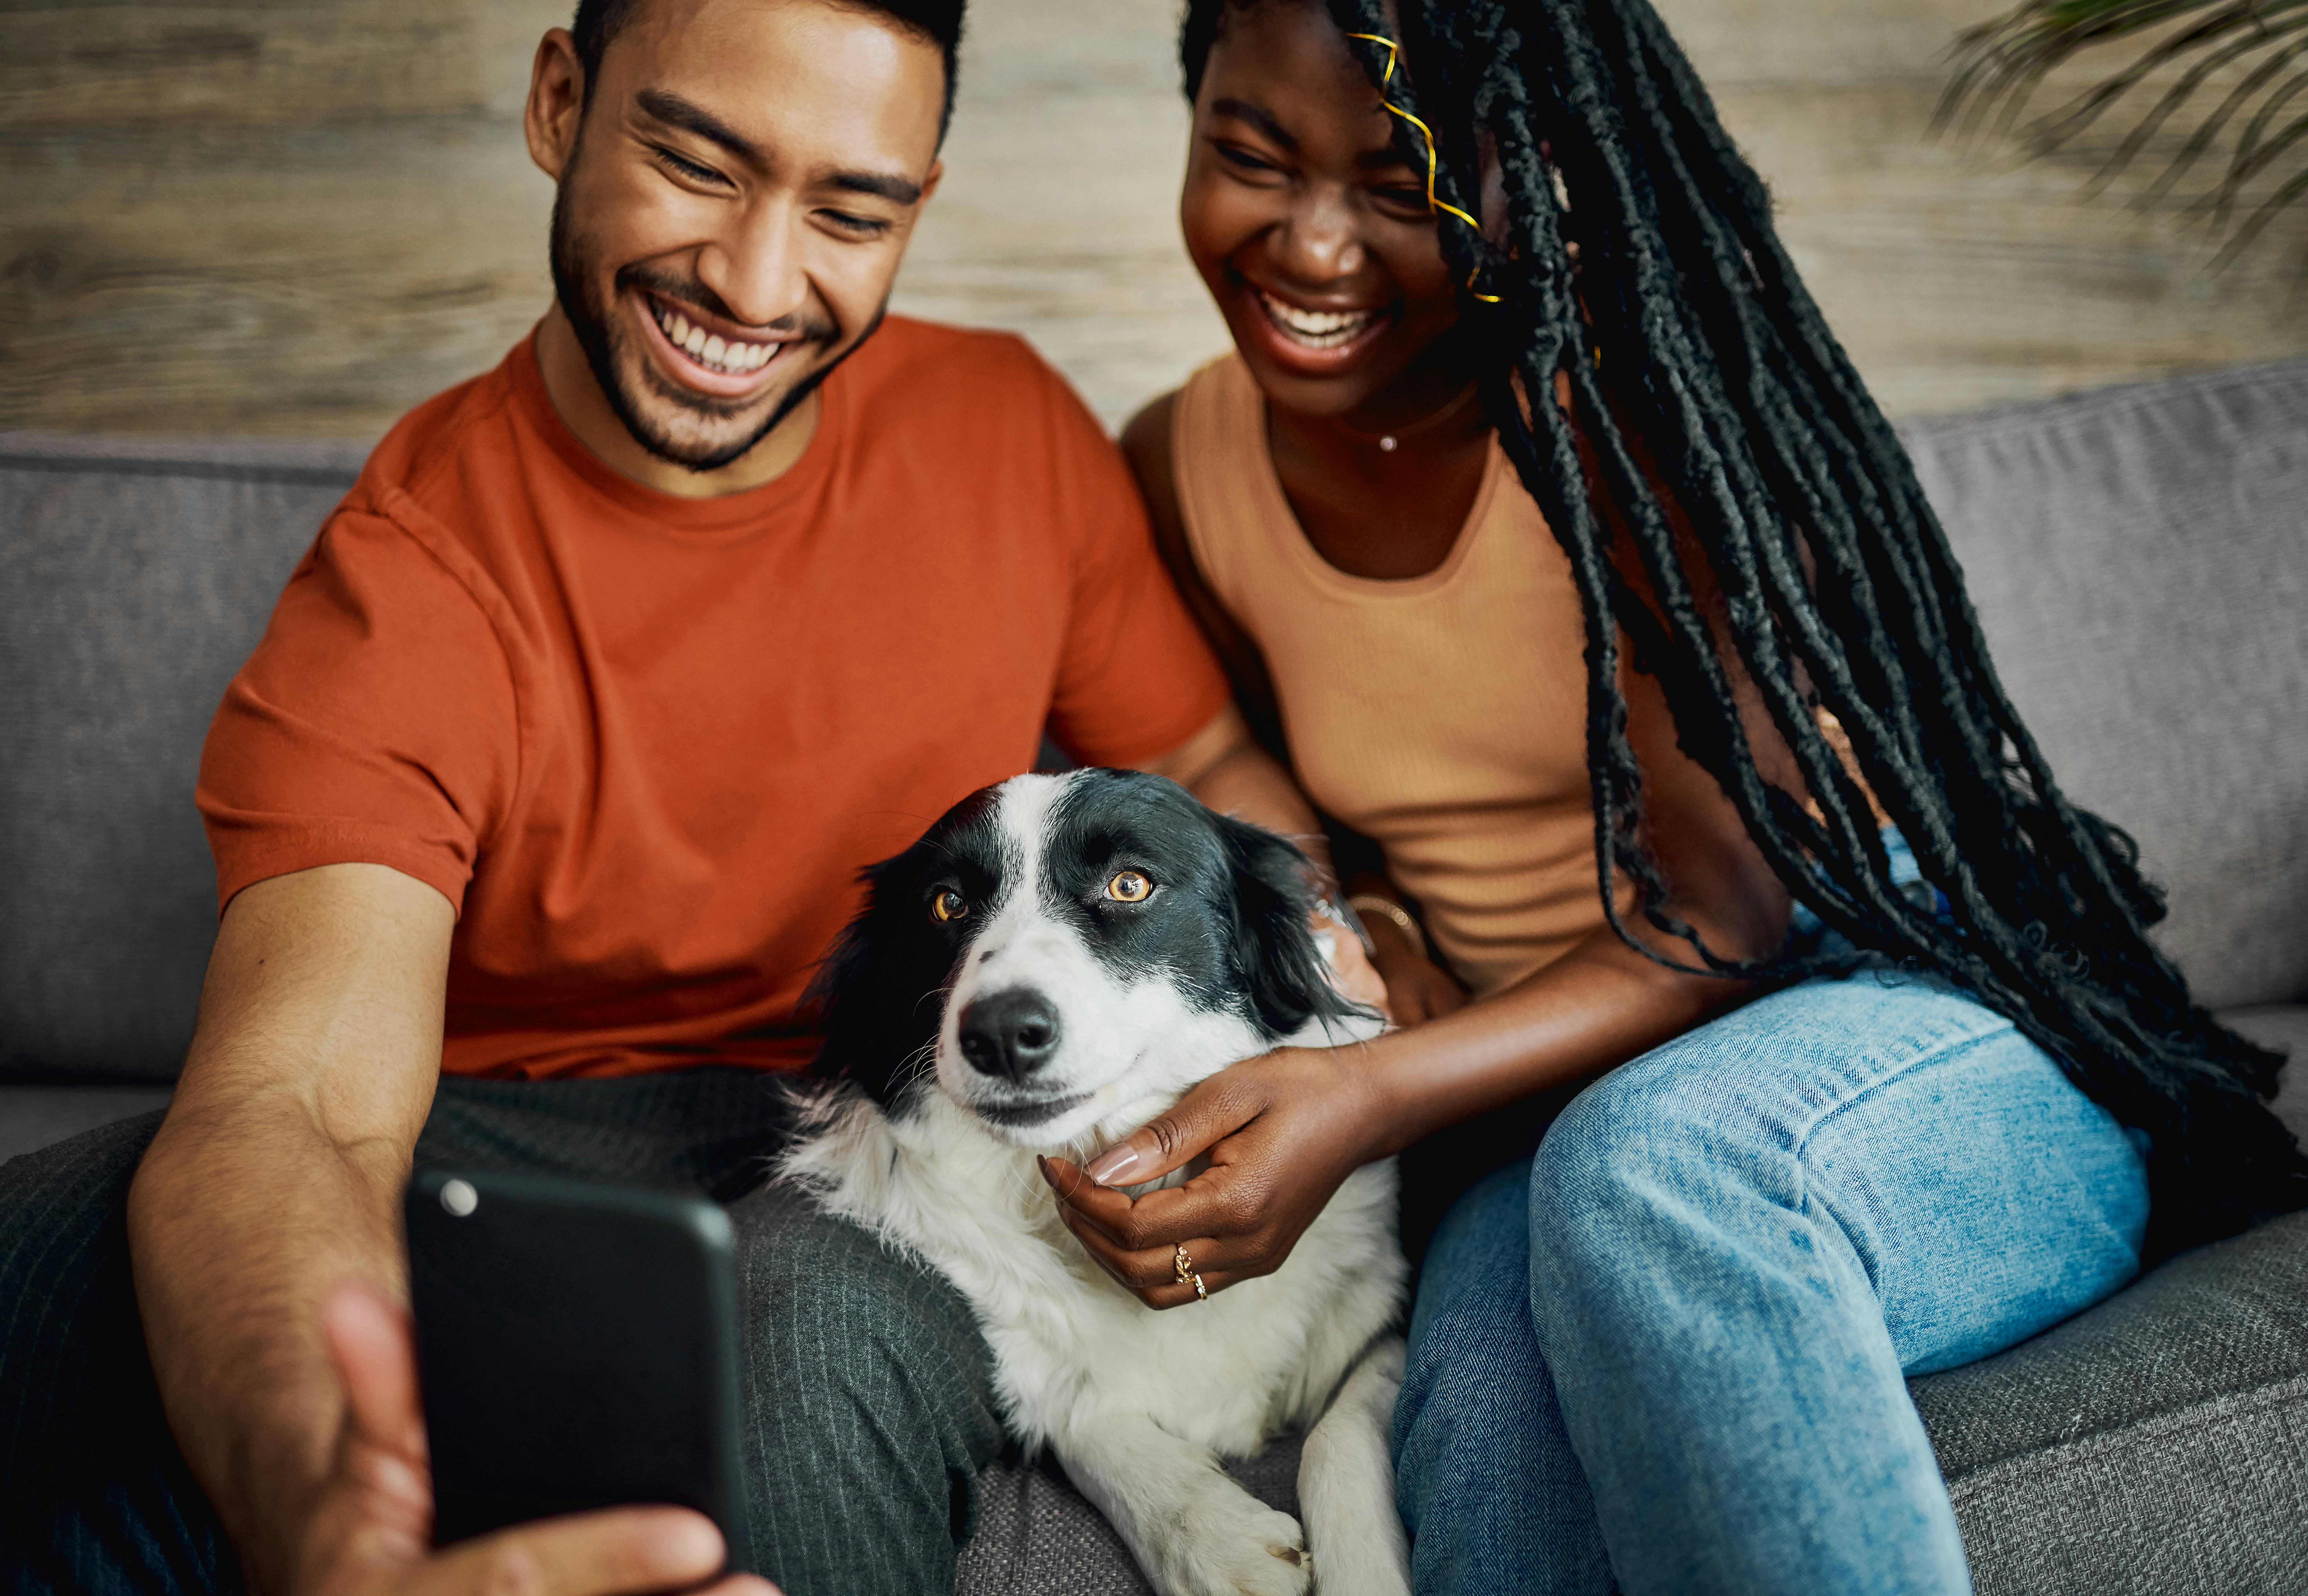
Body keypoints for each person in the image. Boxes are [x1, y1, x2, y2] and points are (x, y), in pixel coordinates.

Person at [0, 2, 1366, 1594]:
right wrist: (330, 1520)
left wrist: (1333, 936)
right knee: (69, 1253)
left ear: (916, 206)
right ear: (560, 102)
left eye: (849, 210)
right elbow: (293, 1103)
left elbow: (1202, 767)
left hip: (888, 1140)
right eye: (695, 163)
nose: (753, 279)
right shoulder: (414, 573)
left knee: (804, 1335)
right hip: (527, 1150)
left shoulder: (1006, 430)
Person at [1037, 2, 2308, 1592]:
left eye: (1400, 181)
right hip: (1542, 1104)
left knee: (1659, 1171)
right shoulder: (1181, 460)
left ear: (1531, 175)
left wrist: (1371, 1090)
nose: (1309, 243)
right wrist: (1363, 920)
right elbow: (1282, 782)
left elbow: (1729, 915)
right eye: (1249, 155)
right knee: (1482, 1453)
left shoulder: (1621, 422)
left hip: (1902, 1010)